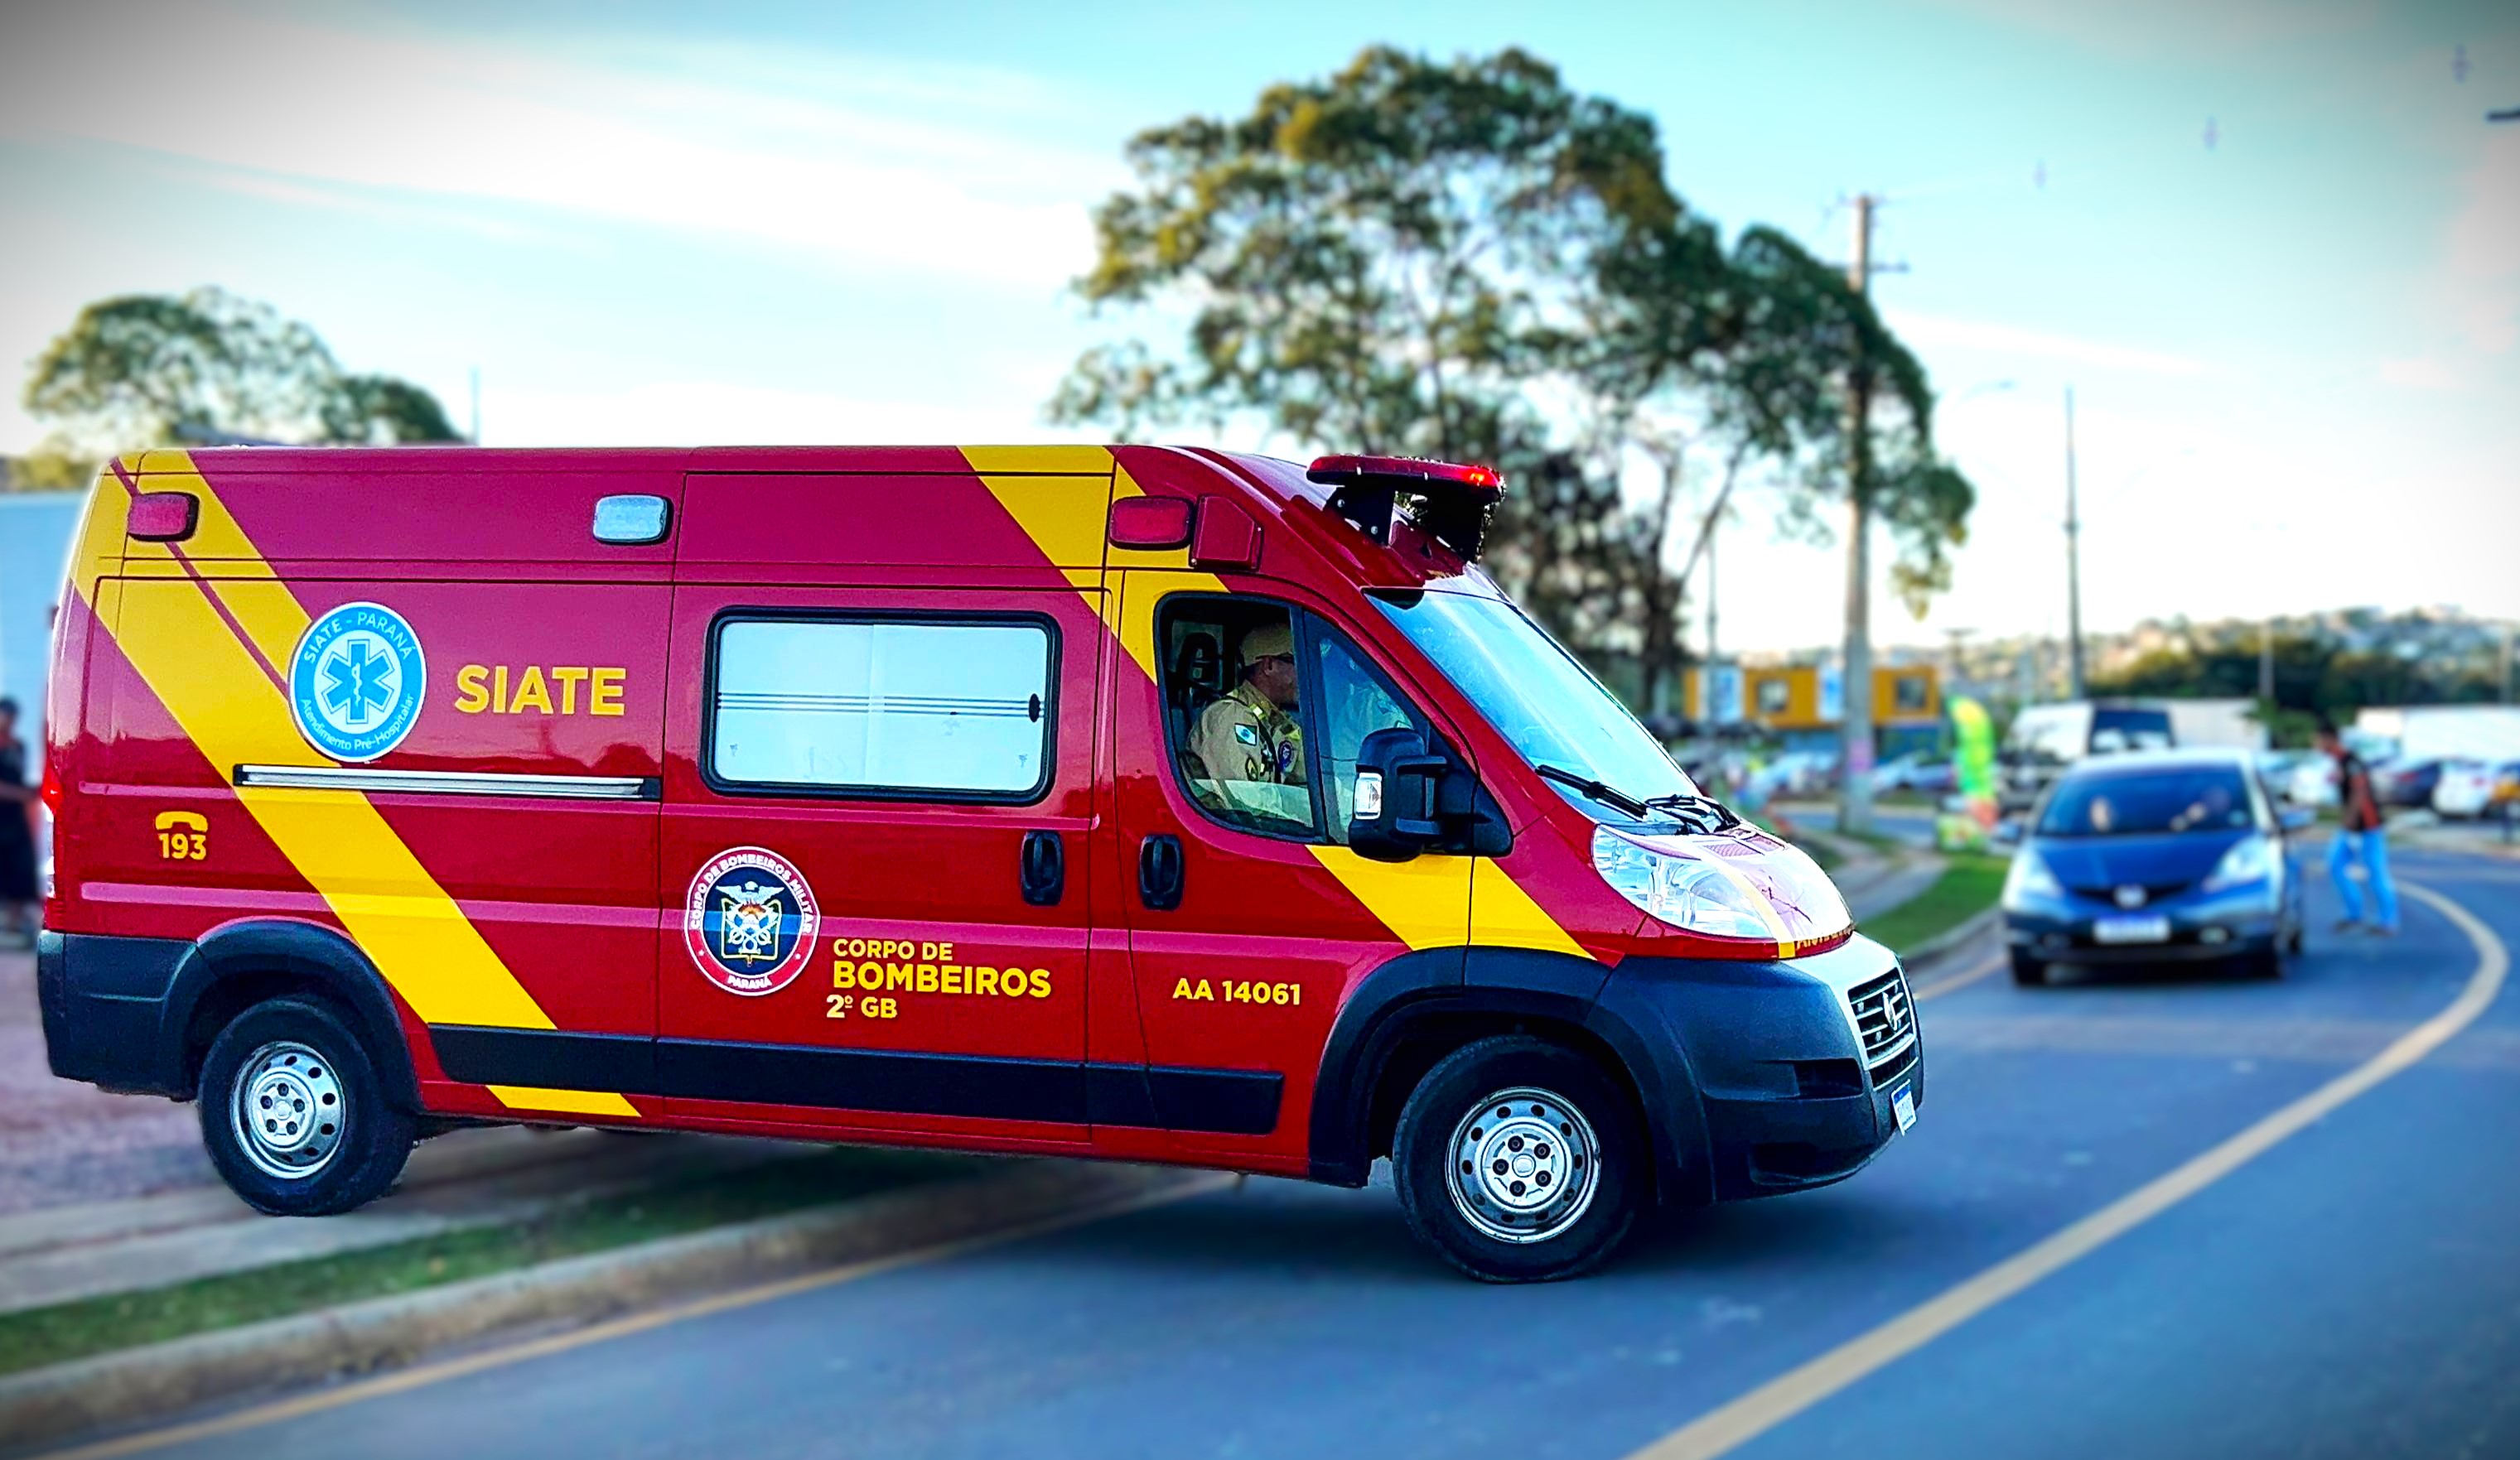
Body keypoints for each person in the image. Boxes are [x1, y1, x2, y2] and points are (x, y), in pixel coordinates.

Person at [1191, 621, 1305, 788]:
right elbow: (1245, 804)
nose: (1303, 674)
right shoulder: (1230, 717)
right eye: (1297, 663)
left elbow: (1312, 782)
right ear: (1269, 666)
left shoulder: (1281, 723)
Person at [2317, 717, 2396, 936]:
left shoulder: (2350, 760)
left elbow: (2359, 793)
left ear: (2329, 739)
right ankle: (2353, 913)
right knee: (2335, 865)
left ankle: (2387, 921)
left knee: (2377, 873)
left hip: (2367, 826)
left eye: (2319, 741)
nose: (2317, 746)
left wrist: (2349, 822)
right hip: (2351, 828)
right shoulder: (2338, 761)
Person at [0, 698, 37, 948]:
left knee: (19, 869)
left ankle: (13, 923)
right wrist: (21, 794)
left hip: (15, 820)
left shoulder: (18, 747)